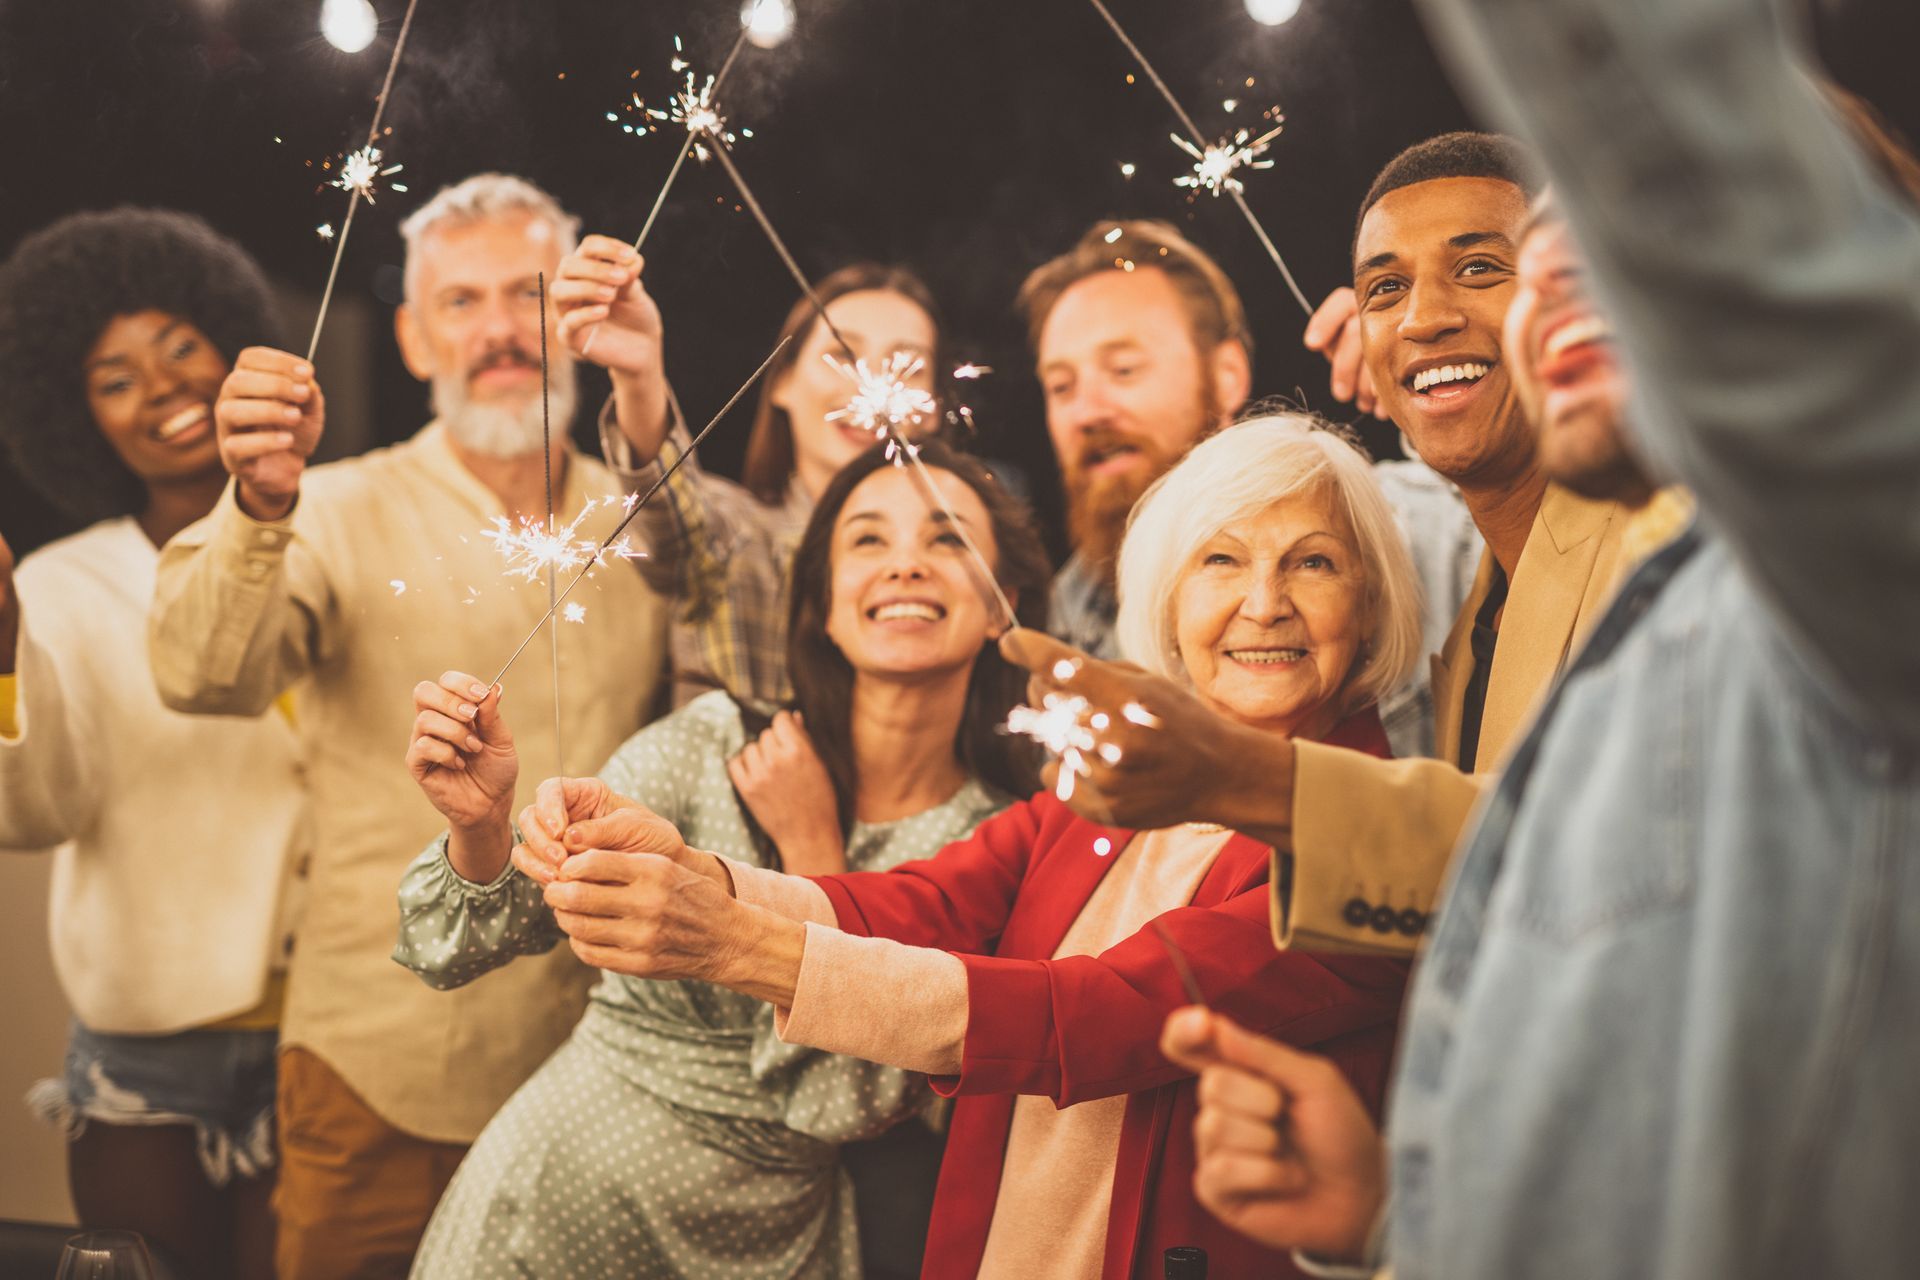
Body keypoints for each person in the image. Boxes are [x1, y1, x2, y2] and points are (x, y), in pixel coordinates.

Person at [1167, 18, 1920, 1272]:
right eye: (1387, 286)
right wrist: (1396, 1219)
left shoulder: (1828, 578)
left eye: (1620, 244)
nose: (1571, 275)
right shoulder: (1490, 618)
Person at [513, 414, 1419, 1279]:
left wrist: (735, 943)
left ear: (1371, 604)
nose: (1265, 604)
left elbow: (1091, 1015)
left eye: (1314, 563)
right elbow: (921, 905)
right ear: (1170, 601)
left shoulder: (1373, 852)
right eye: (1222, 560)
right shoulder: (1117, 784)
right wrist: (695, 873)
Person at [147, 174, 671, 1278]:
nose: (499, 331)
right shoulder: (328, 505)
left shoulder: (645, 522)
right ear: (412, 335)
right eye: (463, 302)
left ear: (574, 321)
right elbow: (202, 675)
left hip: (598, 1066)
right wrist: (257, 503)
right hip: (373, 1072)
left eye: (528, 297)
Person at [393, 441, 1050, 1278]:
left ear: (1005, 605)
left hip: (764, 1246)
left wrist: (814, 856)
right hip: (547, 1210)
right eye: (869, 541)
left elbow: (842, 1103)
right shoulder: (711, 744)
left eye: (949, 539)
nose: (908, 566)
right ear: (819, 599)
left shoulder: (1003, 846)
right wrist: (483, 827)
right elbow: (453, 949)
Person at [999, 137, 1637, 955]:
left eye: (1479, 269)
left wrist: (1243, 779)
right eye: (1386, 290)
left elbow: (1591, 860)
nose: (1424, 315)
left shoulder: (1658, 540)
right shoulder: (1482, 615)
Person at [0, 208, 302, 1280]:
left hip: (327, 1033)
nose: (163, 388)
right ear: (74, 411)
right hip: (142, 1044)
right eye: (113, 375)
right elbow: (32, 812)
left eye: (182, 347)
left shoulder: (326, 532)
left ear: (236, 349)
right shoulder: (59, 585)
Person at [1019, 218, 1481, 760]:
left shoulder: (1402, 524)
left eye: (1123, 369)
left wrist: (1438, 380)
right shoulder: (1063, 620)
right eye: (1061, 386)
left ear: (1228, 374)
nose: (1088, 411)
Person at [556, 240, 957, 709]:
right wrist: (638, 374)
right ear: (782, 381)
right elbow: (675, 521)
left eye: (905, 365)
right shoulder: (736, 539)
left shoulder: (962, 562)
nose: (872, 386)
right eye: (844, 355)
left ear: (933, 409)